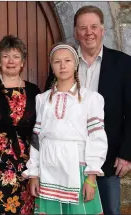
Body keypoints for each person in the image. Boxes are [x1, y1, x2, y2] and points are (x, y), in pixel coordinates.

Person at [44, 5, 131, 215]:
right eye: (83, 27)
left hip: (107, 159)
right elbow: (47, 112)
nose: (89, 32)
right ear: (76, 32)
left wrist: (127, 153)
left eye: (94, 26)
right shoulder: (63, 62)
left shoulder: (124, 64)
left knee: (109, 211)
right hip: (64, 161)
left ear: (103, 30)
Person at [25, 42, 108, 214]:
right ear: (52, 66)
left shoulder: (91, 98)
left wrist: (91, 177)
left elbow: (97, 138)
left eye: (68, 60)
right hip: (48, 168)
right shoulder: (42, 99)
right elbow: (37, 138)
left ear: (76, 64)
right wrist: (34, 173)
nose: (63, 66)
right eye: (57, 62)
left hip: (77, 170)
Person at [0, 35, 41, 214]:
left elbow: (38, 131)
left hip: (26, 168)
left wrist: (36, 169)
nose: (10, 61)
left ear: (22, 62)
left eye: (16, 56)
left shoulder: (34, 91)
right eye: (5, 56)